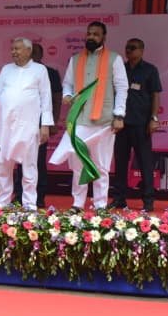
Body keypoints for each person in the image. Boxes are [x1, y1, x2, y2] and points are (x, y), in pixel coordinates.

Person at [53, 22, 128, 210]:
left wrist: (119, 114)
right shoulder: (76, 59)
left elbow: (122, 87)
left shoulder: (114, 59)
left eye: (96, 34)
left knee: (101, 165)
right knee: (78, 164)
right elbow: (68, 84)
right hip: (79, 119)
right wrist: (67, 96)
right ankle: (77, 204)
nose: (91, 37)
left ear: (104, 37)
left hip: (104, 120)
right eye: (89, 34)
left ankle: (100, 204)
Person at [0, 37, 53, 209]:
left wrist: (45, 124)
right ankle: (3, 202)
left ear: (29, 51)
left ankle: (29, 204)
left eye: (17, 49)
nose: (13, 52)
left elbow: (46, 98)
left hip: (28, 126)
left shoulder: (40, 70)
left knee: (29, 166)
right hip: (6, 126)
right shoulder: (6, 69)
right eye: (12, 49)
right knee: (3, 164)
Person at [110, 38, 162, 211]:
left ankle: (148, 201)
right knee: (121, 163)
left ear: (142, 50)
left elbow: (155, 95)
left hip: (141, 123)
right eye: (127, 48)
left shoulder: (150, 70)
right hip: (121, 123)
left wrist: (153, 118)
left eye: (132, 48)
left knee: (145, 163)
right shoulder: (120, 69)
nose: (129, 51)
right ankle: (119, 199)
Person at [25, 42, 63, 204]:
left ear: (40, 56)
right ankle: (20, 195)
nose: (31, 56)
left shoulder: (50, 73)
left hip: (41, 123)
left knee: (38, 161)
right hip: (22, 123)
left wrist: (51, 122)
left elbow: (56, 99)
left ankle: (39, 196)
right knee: (21, 160)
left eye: (34, 53)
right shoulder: (20, 71)